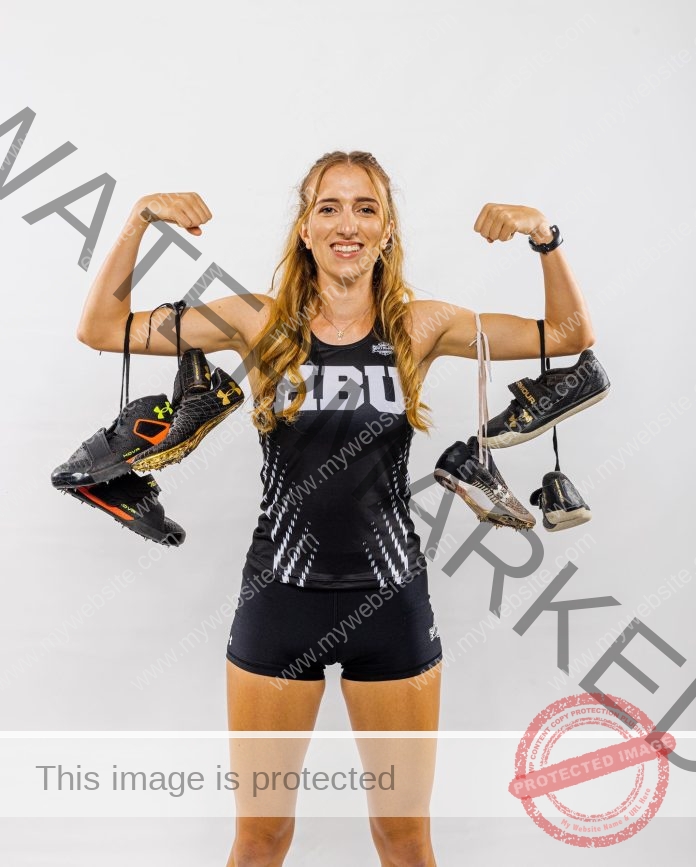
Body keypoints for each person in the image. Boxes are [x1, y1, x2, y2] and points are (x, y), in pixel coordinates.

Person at [76, 150, 594, 866]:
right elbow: (102, 328)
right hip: (278, 604)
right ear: (304, 229)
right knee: (261, 837)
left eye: (365, 208)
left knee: (405, 839)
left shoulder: (422, 327)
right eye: (328, 207)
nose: (346, 223)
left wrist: (546, 238)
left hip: (392, 604)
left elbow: (570, 337)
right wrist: (138, 218)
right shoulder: (258, 323)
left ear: (386, 231)